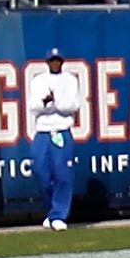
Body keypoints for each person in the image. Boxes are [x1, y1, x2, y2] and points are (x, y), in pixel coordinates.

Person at [27, 52, 85, 230]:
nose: (55, 64)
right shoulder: (38, 81)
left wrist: (55, 103)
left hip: (61, 130)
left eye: (58, 61)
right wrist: (46, 103)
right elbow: (33, 106)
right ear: (47, 62)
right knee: (40, 171)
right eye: (52, 61)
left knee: (62, 174)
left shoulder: (70, 80)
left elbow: (72, 105)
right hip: (43, 131)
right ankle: (52, 210)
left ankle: (59, 214)